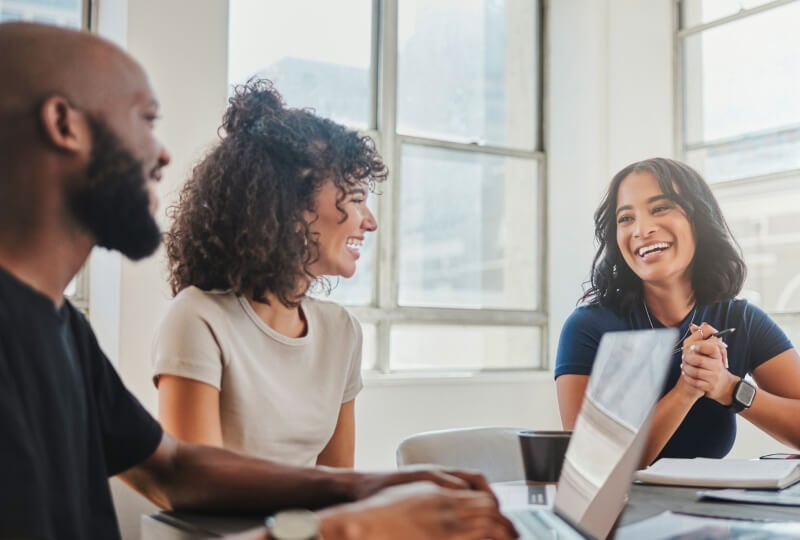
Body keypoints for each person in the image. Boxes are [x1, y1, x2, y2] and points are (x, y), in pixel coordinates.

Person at [0, 22, 517, 540]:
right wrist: (349, 529)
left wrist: (365, 487)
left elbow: (174, 470)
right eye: (145, 119)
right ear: (64, 124)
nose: (161, 154)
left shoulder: (61, 327)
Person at [152, 80, 378, 468]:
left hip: (306, 529)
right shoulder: (198, 319)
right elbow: (200, 489)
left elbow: (337, 484)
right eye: (356, 200)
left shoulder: (342, 331)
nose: (369, 222)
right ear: (294, 207)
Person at [555, 157, 800, 466]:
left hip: (714, 509)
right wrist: (687, 389)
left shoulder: (741, 320)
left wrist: (728, 388)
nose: (642, 229)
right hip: (619, 510)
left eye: (660, 208)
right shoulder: (589, 327)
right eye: (626, 218)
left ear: (698, 221)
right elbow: (589, 463)